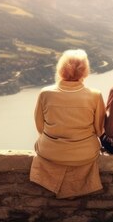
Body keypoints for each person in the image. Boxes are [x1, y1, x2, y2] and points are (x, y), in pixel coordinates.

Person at [29, 49, 106, 198]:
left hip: (49, 152)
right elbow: (99, 129)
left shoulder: (45, 93)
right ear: (85, 71)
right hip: (85, 153)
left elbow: (40, 126)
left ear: (61, 68)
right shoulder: (95, 95)